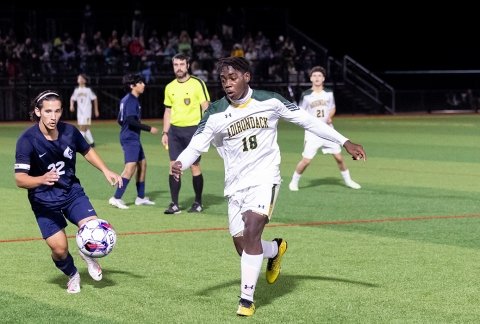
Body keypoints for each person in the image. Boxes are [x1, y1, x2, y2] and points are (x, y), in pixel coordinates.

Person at [171, 57, 366, 317]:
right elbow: (197, 144)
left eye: (233, 78)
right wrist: (180, 163)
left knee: (252, 230)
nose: (227, 84)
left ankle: (247, 299)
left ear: (247, 77)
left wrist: (345, 141)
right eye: (223, 80)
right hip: (235, 185)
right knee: (243, 247)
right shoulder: (215, 112)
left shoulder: (270, 100)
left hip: (265, 178)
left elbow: (308, 121)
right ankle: (275, 249)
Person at [14, 90, 123, 294]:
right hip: (43, 201)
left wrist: (106, 170)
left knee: (94, 227)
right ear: (38, 112)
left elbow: (87, 151)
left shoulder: (70, 132)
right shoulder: (27, 140)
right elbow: (20, 178)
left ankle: (87, 253)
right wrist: (41, 179)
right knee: (60, 249)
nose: (53, 116)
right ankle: (73, 274)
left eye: (57, 111)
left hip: (71, 192)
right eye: (48, 111)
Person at [289, 66, 361, 191]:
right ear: (311, 78)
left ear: (323, 78)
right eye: (314, 76)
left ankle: (348, 181)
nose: (317, 78)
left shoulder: (328, 93)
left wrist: (330, 117)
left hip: (328, 129)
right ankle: (293, 182)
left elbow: (332, 108)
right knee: (306, 160)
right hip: (313, 132)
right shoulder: (306, 95)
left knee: (339, 158)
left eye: (319, 76)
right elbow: (301, 112)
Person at [162, 53, 210, 214]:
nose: (179, 68)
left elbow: (206, 107)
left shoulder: (198, 84)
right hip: (174, 132)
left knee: (194, 167)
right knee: (173, 167)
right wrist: (165, 132)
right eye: (176, 65)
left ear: (188, 65)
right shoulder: (170, 87)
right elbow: (168, 111)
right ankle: (174, 204)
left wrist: (206, 130)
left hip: (193, 131)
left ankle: (198, 202)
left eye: (182, 64)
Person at [108, 73, 158, 209]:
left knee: (143, 164)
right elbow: (129, 120)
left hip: (131, 136)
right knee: (130, 168)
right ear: (132, 86)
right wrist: (149, 128)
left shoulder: (128, 99)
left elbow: (120, 119)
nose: (143, 85)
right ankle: (116, 197)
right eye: (140, 83)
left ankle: (140, 198)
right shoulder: (131, 100)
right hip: (130, 138)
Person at [69, 73, 99, 147]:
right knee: (85, 127)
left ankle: (78, 142)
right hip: (80, 112)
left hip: (87, 111)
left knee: (83, 127)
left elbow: (95, 98)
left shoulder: (88, 90)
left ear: (85, 80)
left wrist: (96, 110)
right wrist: (71, 105)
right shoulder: (76, 90)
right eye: (79, 78)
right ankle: (92, 143)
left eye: (82, 78)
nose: (80, 80)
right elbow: (72, 98)